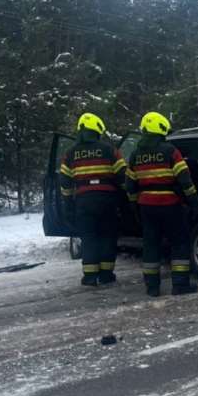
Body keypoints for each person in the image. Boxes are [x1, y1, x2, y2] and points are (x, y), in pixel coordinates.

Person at [126, 111, 198, 297]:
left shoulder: (135, 155)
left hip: (147, 206)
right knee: (179, 243)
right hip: (170, 204)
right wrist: (192, 200)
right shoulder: (170, 151)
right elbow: (185, 178)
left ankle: (152, 287)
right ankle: (180, 285)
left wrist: (134, 206)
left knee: (151, 245)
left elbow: (130, 184)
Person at [59, 112, 126, 286]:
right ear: (97, 129)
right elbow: (123, 175)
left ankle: (89, 276)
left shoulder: (71, 153)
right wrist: (125, 197)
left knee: (89, 238)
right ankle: (106, 275)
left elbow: (64, 181)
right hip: (107, 200)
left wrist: (68, 204)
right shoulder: (110, 150)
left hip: (83, 201)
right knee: (107, 237)